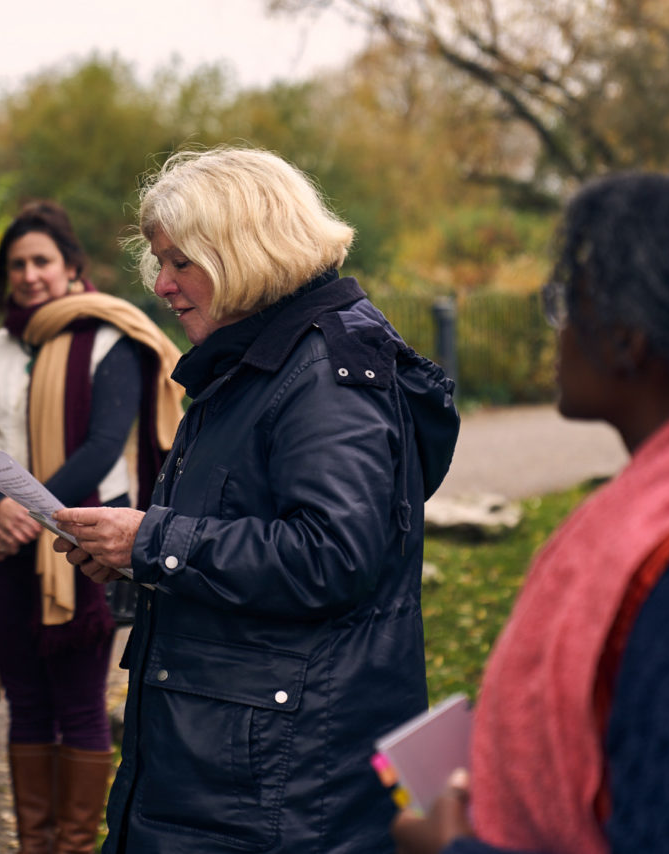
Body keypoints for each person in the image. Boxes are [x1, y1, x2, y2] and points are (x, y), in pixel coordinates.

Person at [52, 145, 461, 853]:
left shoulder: (324, 374)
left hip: (277, 784)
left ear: (245, 250)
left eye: (183, 263)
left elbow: (332, 556)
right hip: (230, 764)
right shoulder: (259, 360)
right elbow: (251, 529)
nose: (165, 286)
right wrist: (137, 555)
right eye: (161, 264)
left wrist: (154, 542)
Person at [392, 173, 669, 854]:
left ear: (628, 340)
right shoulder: (660, 505)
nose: (554, 330)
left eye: (566, 304)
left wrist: (452, 847)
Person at [0, 200, 184, 853]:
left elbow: (101, 446)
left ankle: (75, 846)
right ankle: (36, 845)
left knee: (81, 706)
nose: (28, 275)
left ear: (72, 267)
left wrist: (27, 513)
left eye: (41, 261)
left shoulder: (108, 337)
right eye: (17, 264)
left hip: (83, 545)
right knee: (25, 703)